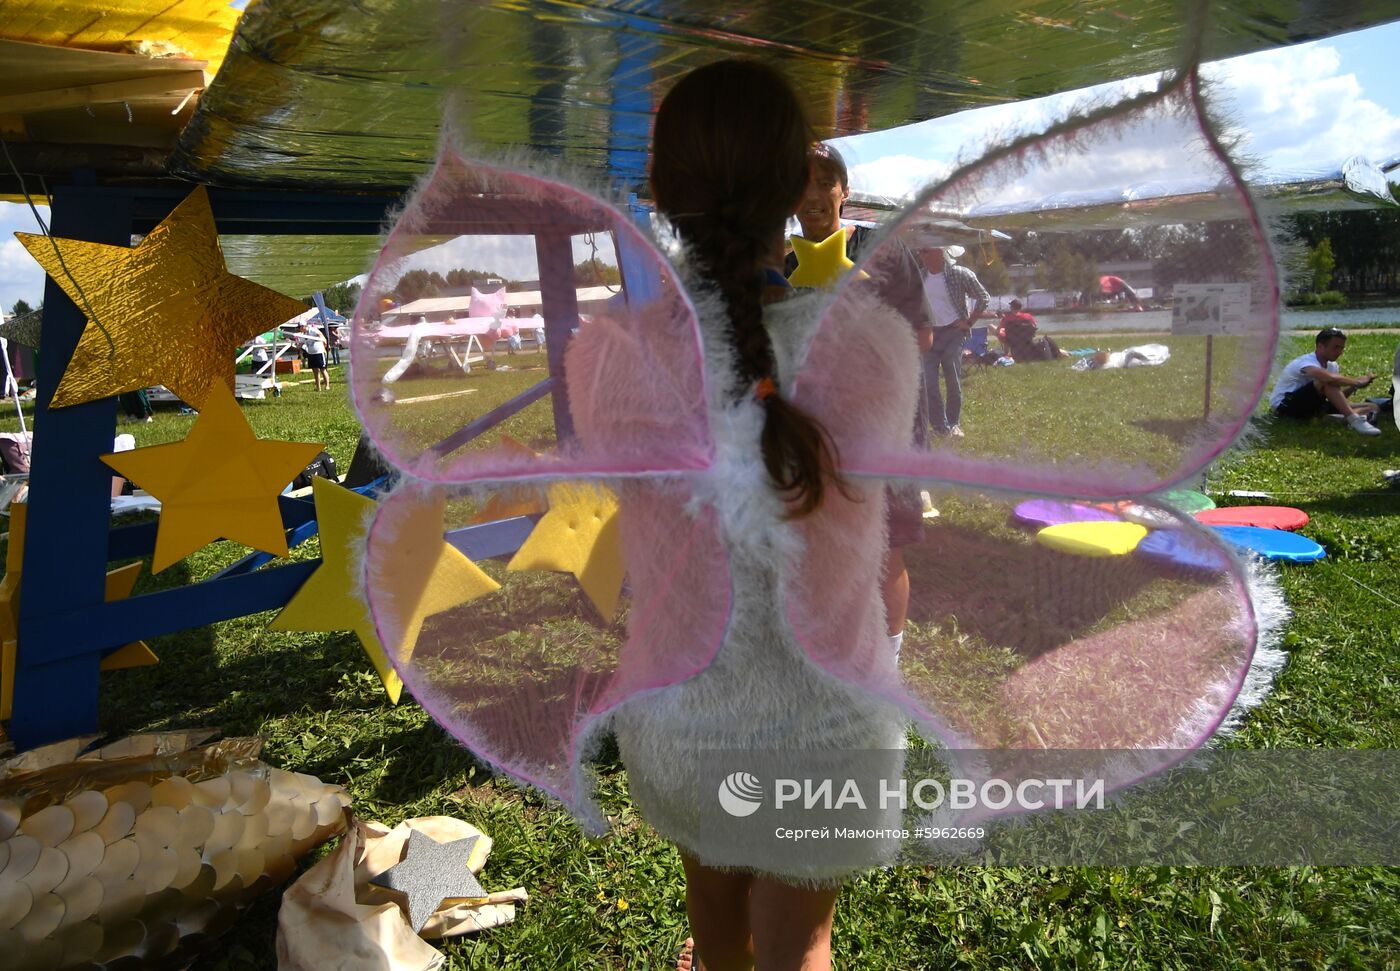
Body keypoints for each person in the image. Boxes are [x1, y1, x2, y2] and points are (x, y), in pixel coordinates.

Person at [577, 60, 915, 971]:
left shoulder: (606, 363)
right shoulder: (875, 346)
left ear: (657, 189)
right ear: (803, 184)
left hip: (684, 723)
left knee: (715, 926)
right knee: (801, 942)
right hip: (829, 733)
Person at [783, 141, 936, 662]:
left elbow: (922, 339)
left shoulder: (885, 249)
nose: (813, 194)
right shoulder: (781, 265)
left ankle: (886, 668)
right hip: (815, 437)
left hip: (885, 435)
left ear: (844, 192)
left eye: (825, 181)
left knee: (886, 554)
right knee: (822, 550)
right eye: (800, 183)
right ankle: (831, 654)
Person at [919, 245, 990, 438]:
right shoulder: (919, 276)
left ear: (940, 252)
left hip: (953, 331)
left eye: (925, 250)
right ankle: (940, 427)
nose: (921, 254)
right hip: (930, 334)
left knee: (952, 377)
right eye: (920, 251)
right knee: (929, 383)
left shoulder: (960, 274)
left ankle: (953, 424)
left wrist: (969, 322)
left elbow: (983, 297)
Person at [1269, 327, 1379, 436]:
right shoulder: (1305, 362)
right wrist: (1357, 382)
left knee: (1372, 407)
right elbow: (1329, 380)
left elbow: (1336, 397)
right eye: (1336, 347)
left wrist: (1354, 387)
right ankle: (1354, 420)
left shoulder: (1332, 366)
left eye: (1341, 348)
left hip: (1313, 406)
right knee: (1326, 381)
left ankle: (1334, 418)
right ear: (1320, 346)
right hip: (1286, 408)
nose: (1340, 352)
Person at [998, 299, 1067, 362]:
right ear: (1020, 307)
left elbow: (999, 329)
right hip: (1028, 344)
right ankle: (1060, 354)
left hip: (1015, 348)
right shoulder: (1028, 317)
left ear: (1011, 307)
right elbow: (1034, 327)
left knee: (1002, 333)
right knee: (1046, 340)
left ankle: (1006, 353)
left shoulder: (1007, 318)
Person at [299, 322, 330, 391]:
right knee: (315, 371)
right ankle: (318, 387)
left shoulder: (312, 329)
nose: (299, 329)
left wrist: (325, 343)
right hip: (311, 353)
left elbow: (320, 335)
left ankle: (327, 385)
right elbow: (301, 344)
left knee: (323, 369)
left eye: (299, 327)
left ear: (303, 326)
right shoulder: (303, 335)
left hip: (319, 352)